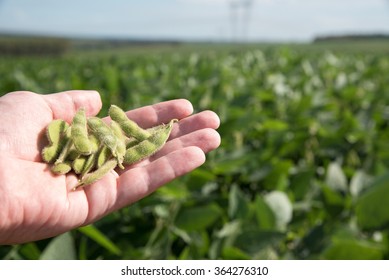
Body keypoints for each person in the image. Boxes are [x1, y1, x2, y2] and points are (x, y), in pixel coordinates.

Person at [0, 90, 221, 245]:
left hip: (110, 151)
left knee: (135, 140)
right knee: (90, 145)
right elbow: (82, 137)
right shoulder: (74, 138)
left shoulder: (108, 139)